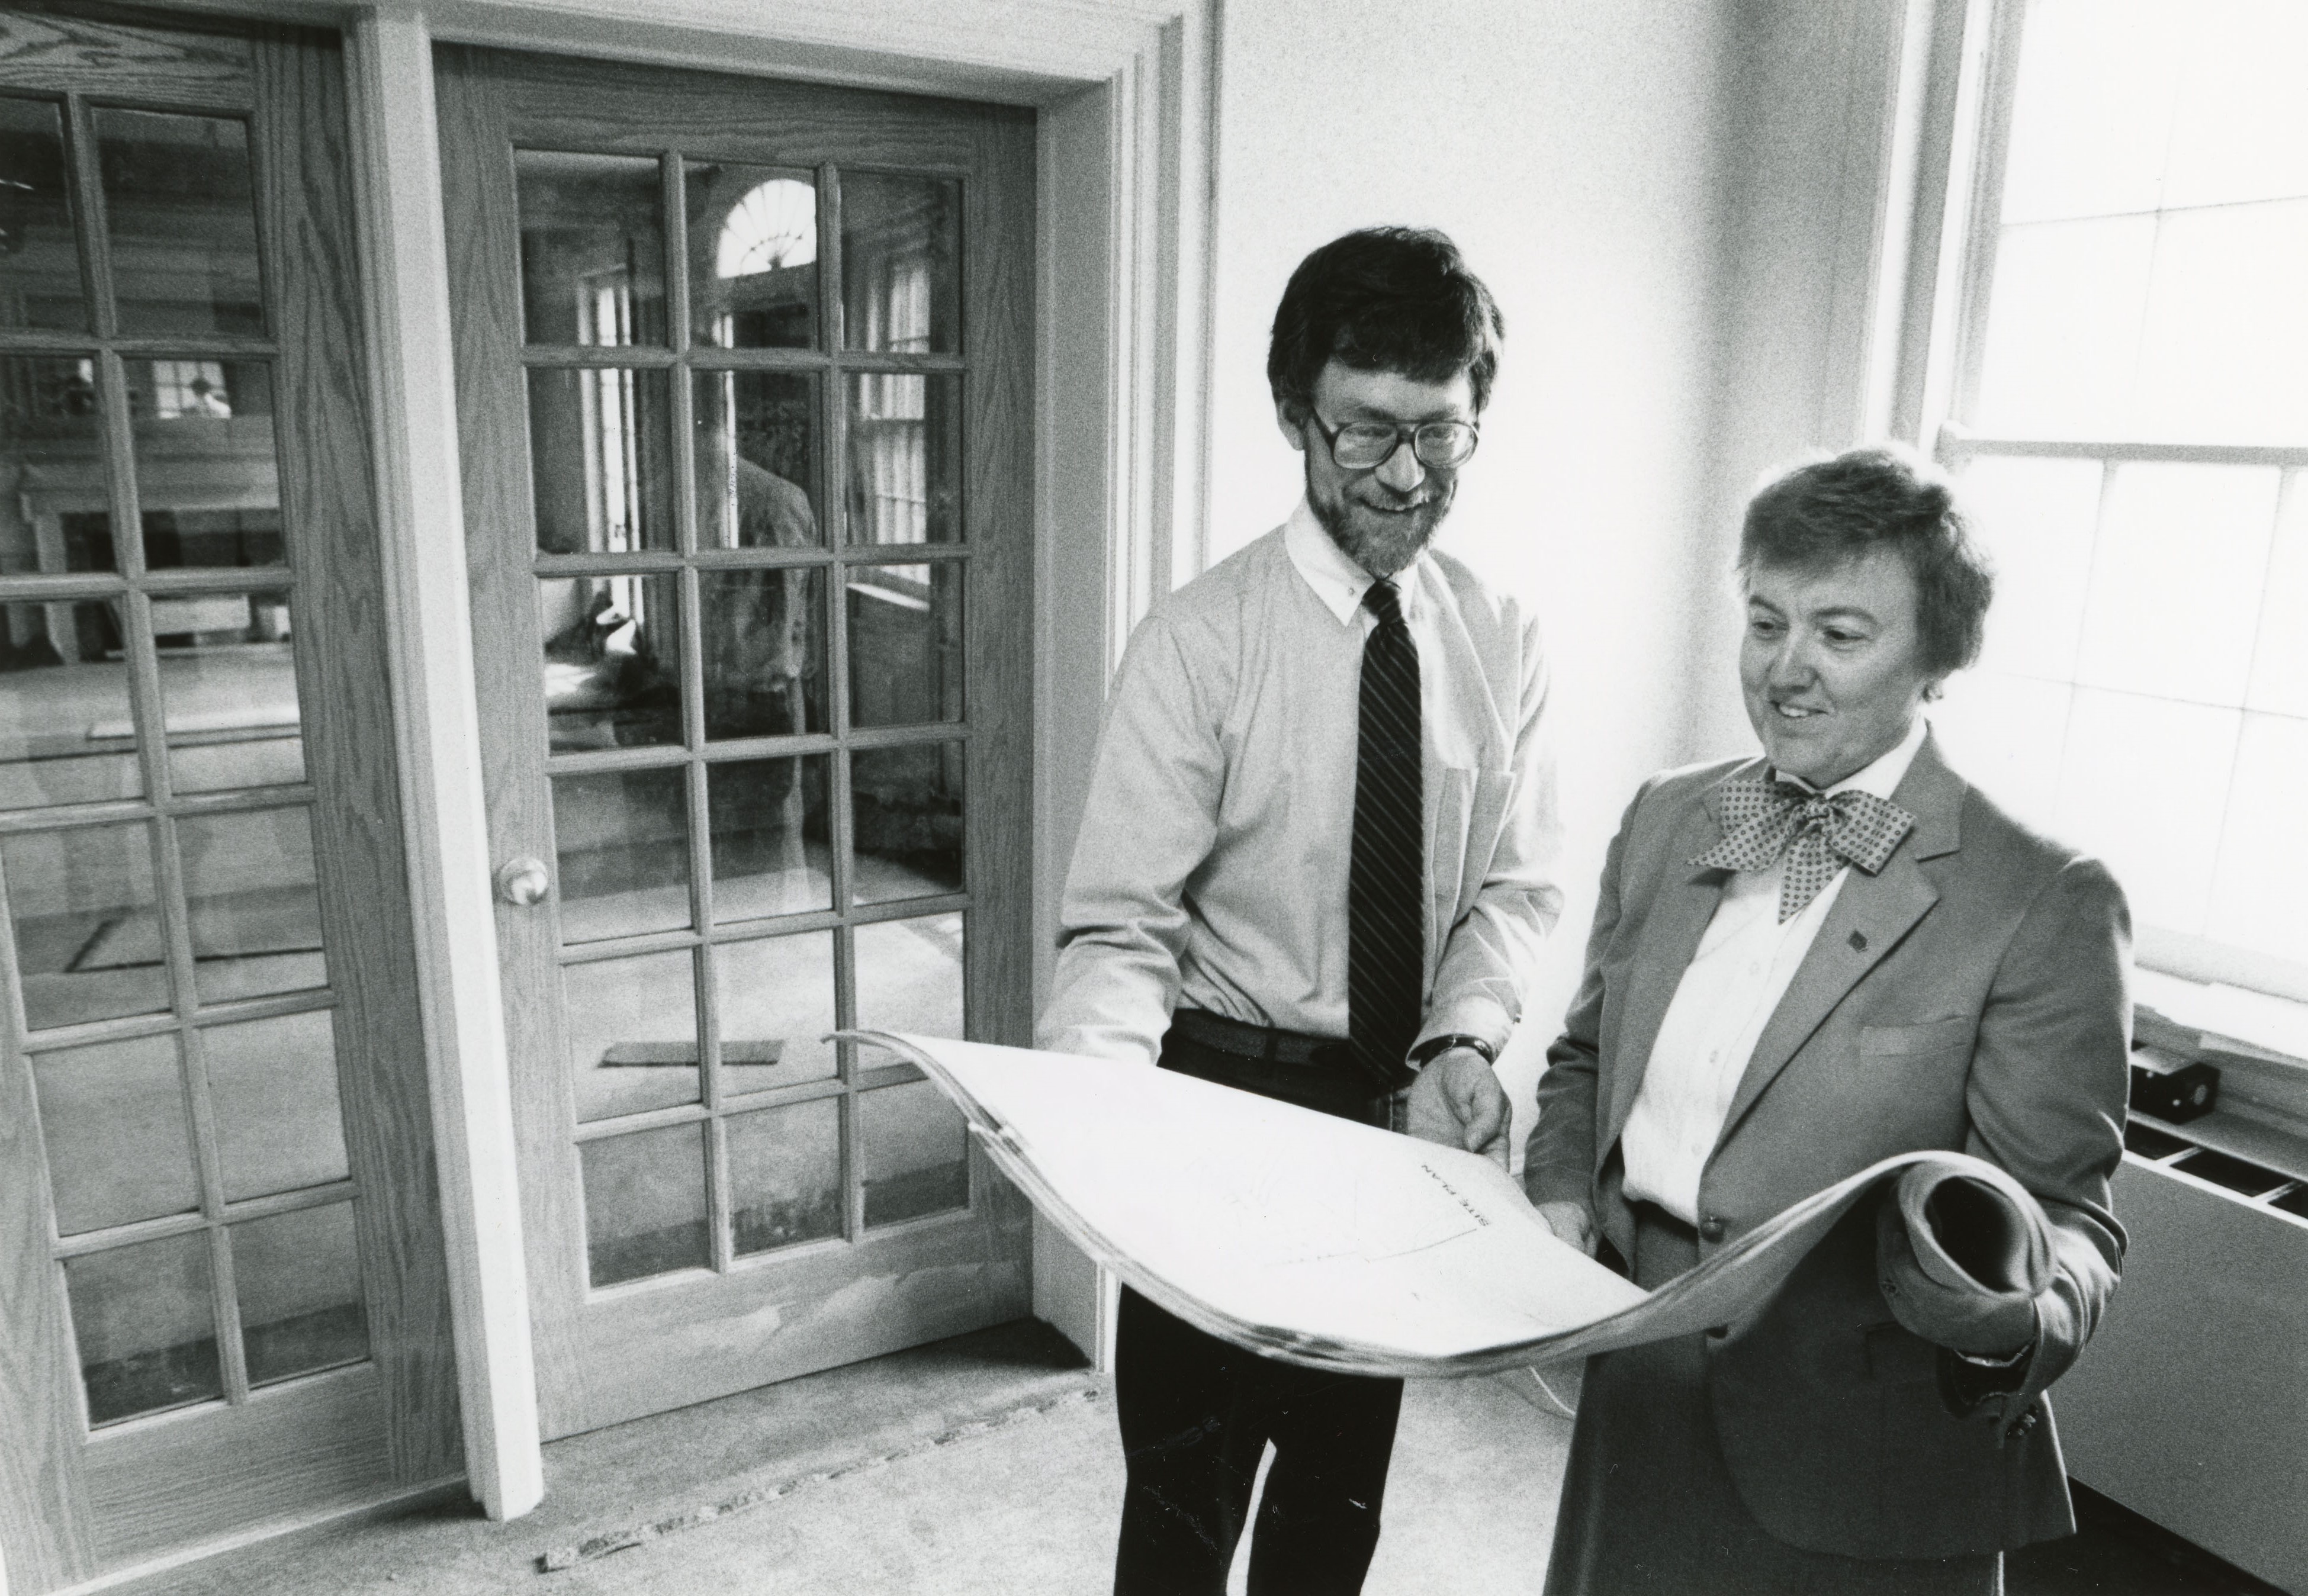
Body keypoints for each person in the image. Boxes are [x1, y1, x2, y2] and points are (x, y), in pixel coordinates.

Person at [1039, 226, 1566, 1595]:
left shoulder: (1500, 635)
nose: (1405, 476)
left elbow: (1512, 884)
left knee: (1336, 1503)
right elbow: (1118, 928)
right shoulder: (1197, 642)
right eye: (1364, 433)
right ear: (1292, 417)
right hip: (1215, 1103)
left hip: (1391, 1126)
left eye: (1440, 436)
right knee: (1182, 1500)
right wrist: (1097, 1128)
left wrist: (1463, 1038)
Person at [1525, 446, 2130, 1594]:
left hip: (1867, 1457)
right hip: (1637, 1395)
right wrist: (1558, 1192)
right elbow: (1585, 1054)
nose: (1783, 670)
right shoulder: (1667, 816)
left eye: (1839, 635)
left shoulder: (2038, 899)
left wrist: (2005, 1315)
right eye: (1764, 621)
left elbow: (2064, 1221)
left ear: (1934, 658)